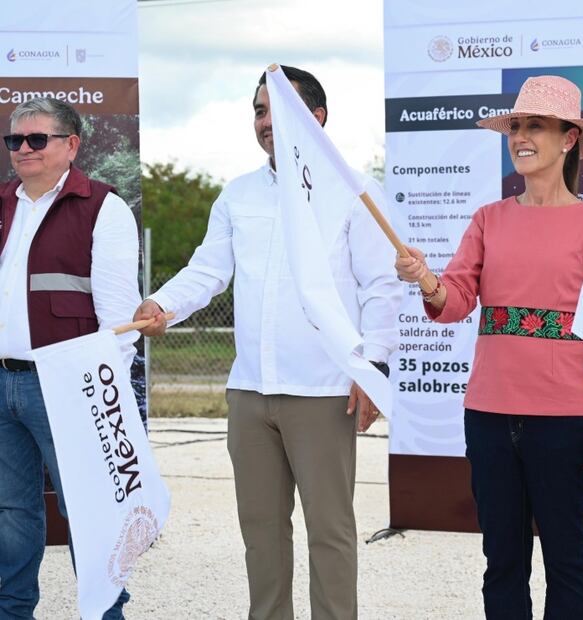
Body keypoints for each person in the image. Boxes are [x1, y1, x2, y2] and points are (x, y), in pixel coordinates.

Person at [133, 66, 401, 620]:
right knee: (260, 534)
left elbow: (381, 288)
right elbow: (207, 270)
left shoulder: (356, 193)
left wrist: (372, 370)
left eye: (275, 109)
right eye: (258, 111)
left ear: (316, 117)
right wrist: (163, 304)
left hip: (325, 391)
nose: (264, 122)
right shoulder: (238, 194)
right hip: (250, 393)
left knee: (330, 534)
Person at [395, 75, 583, 620]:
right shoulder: (488, 219)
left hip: (568, 421)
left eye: (536, 127)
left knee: (568, 561)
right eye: (516, 127)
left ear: (569, 138)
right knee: (502, 559)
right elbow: (455, 299)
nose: (521, 137)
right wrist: (426, 280)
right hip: (488, 415)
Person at [0, 98, 139, 618]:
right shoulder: (2, 204)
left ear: (71, 145)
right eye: (15, 141)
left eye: (38, 139)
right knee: (12, 512)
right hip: (2, 382)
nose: (24, 149)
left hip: (70, 388)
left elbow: (119, 319)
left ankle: (107, 612)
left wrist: (102, 396)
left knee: (90, 512)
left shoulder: (104, 207)